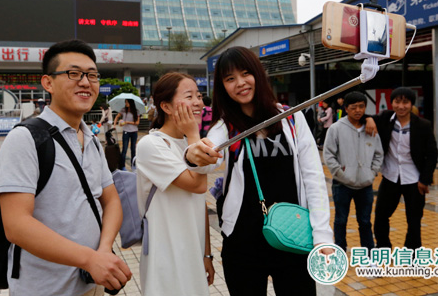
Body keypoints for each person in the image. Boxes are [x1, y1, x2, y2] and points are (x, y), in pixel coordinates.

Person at [185, 47, 333, 295]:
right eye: (230, 79)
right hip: (243, 241)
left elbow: (314, 179)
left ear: (257, 75)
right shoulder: (226, 126)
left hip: (293, 237)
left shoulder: (291, 119)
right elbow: (208, 157)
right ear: (223, 86)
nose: (240, 83)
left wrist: (322, 235)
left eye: (245, 74)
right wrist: (192, 153)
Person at [0, 39, 132, 295]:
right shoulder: (24, 139)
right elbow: (16, 224)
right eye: (74, 73)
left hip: (91, 282)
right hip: (44, 288)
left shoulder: (91, 139)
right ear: (48, 83)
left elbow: (111, 201)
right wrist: (88, 259)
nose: (85, 82)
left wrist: (102, 251)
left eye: (92, 75)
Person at [135, 72, 214, 295]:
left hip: (193, 254)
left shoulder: (192, 141)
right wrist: (193, 135)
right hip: (166, 258)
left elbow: (200, 202)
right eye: (189, 96)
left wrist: (207, 254)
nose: (198, 102)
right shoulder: (151, 145)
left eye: (199, 96)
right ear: (167, 107)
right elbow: (197, 185)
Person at [366, 87, 438, 250]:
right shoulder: (385, 118)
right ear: (392, 103)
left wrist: (425, 179)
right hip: (390, 176)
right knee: (381, 215)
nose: (401, 106)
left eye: (405, 102)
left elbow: (432, 154)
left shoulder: (423, 125)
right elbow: (364, 117)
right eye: (397, 102)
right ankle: (383, 246)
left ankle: (412, 251)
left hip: (414, 179)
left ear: (411, 104)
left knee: (414, 219)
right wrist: (369, 120)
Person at [323, 91, 384, 253]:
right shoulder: (336, 128)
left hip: (365, 184)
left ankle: (369, 253)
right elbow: (328, 154)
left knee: (365, 221)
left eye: (361, 107)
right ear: (346, 108)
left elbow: (379, 154)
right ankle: (340, 251)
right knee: (340, 220)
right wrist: (339, 173)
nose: (358, 110)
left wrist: (371, 173)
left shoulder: (370, 128)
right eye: (354, 107)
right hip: (342, 184)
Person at [113, 99, 140, 170]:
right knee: (124, 149)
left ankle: (133, 165)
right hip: (126, 132)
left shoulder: (136, 111)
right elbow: (117, 117)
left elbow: (137, 122)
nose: (126, 103)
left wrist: (127, 122)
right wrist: (114, 125)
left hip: (134, 132)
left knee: (133, 149)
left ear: (131, 103)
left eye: (127, 102)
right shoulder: (123, 110)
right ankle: (122, 166)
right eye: (125, 102)